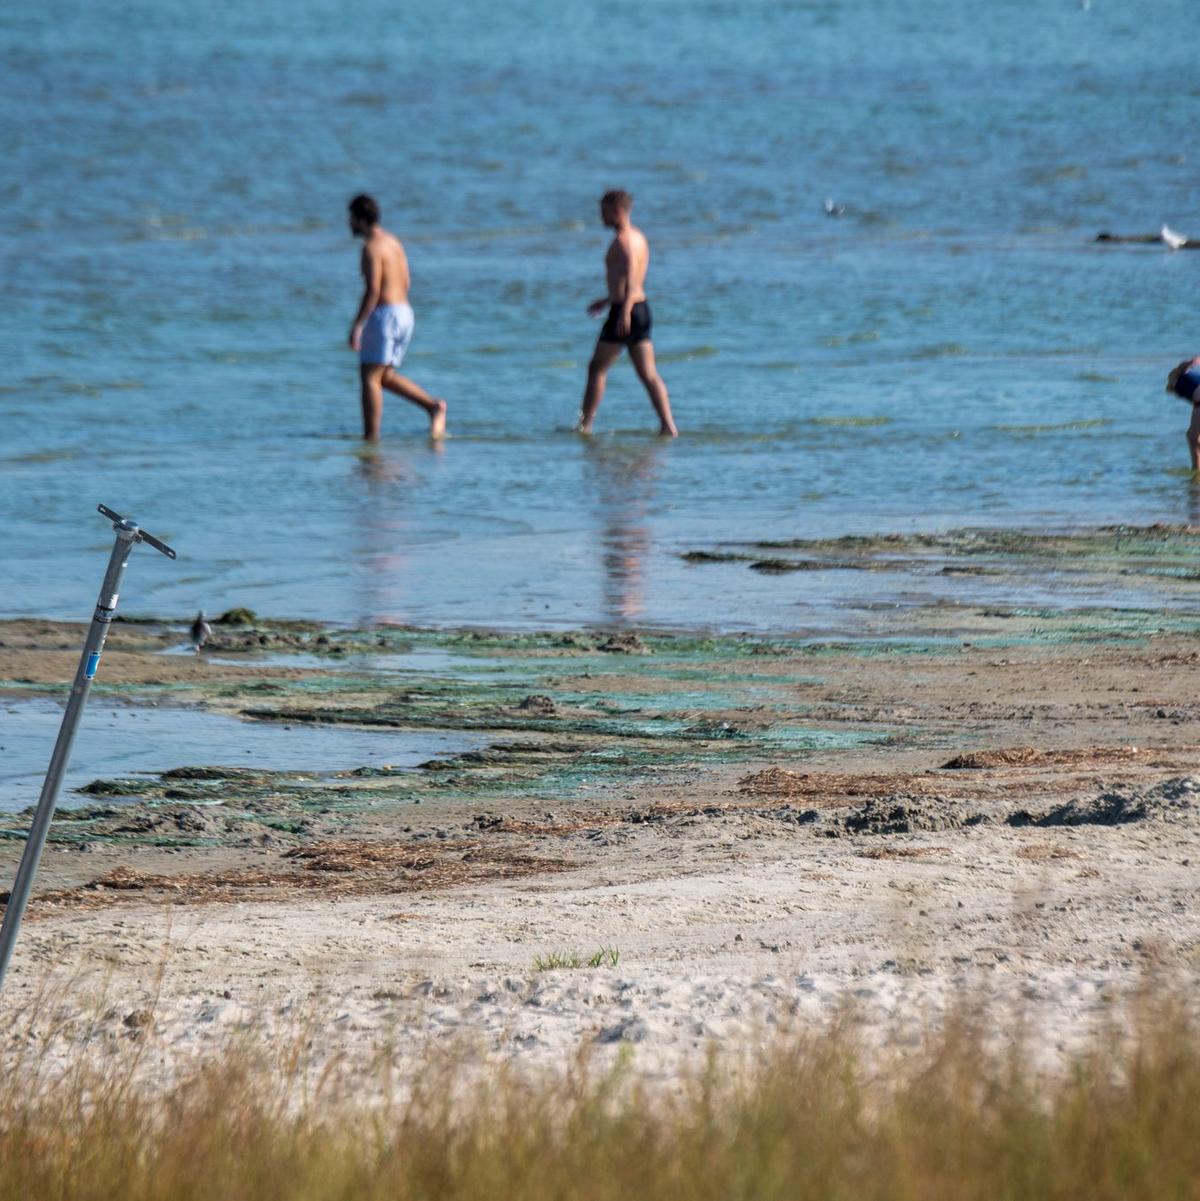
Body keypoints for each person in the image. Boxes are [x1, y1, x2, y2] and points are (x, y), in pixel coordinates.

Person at [578, 190, 678, 437]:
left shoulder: (624, 241)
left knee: (596, 368)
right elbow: (630, 283)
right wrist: (607, 300)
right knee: (648, 374)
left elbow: (632, 281)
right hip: (640, 309)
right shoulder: (638, 237)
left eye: (604, 211)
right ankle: (669, 426)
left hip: (627, 310)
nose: (601, 217)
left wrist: (623, 312)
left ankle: (585, 426)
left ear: (617, 211)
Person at [347, 194, 446, 440]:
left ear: (361, 219)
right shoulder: (393, 242)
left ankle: (371, 438)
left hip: (385, 315)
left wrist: (357, 326)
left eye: (351, 219)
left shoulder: (371, 248)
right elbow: (407, 281)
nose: (349, 224)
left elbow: (373, 291)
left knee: (369, 378)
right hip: (405, 312)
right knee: (385, 377)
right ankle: (433, 406)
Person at [1166, 357, 1200, 470]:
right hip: (1197, 403)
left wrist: (1190, 362)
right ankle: (1196, 471)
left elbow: (1182, 367)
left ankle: (1196, 470)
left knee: (1192, 438)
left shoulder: (1178, 374)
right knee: (1192, 437)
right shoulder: (1177, 382)